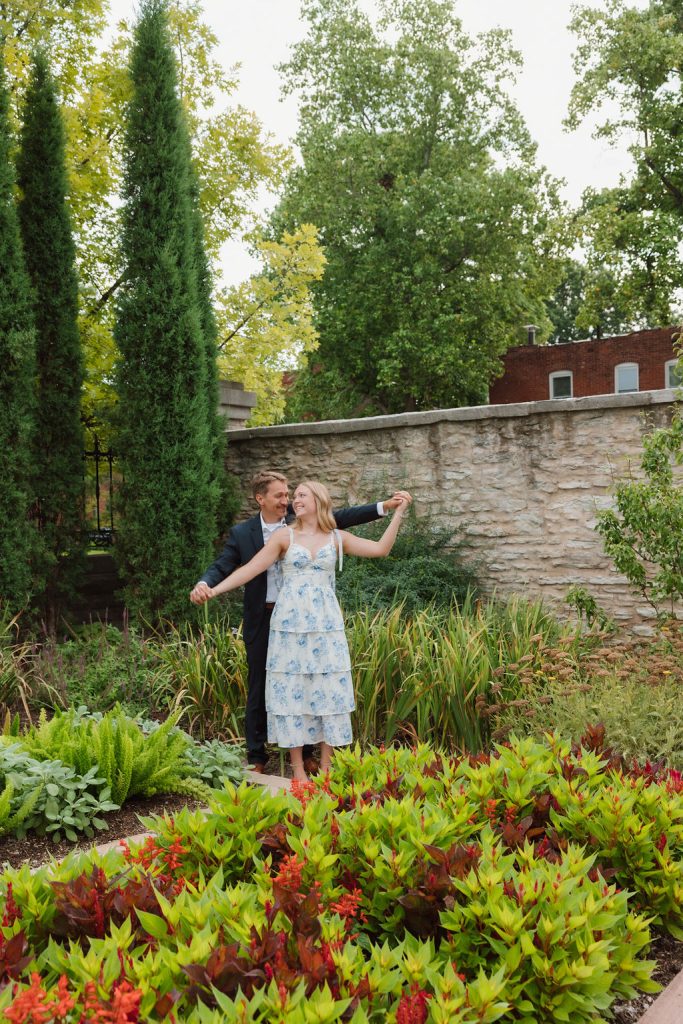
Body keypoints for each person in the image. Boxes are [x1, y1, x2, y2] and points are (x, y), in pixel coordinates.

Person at [189, 470, 411, 772]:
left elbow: (376, 545)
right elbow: (247, 569)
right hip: (281, 620)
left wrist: (393, 510)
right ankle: (270, 761)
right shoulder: (270, 535)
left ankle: (319, 763)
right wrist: (211, 588)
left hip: (322, 623)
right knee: (275, 685)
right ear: (261, 499)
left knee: (321, 685)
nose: (290, 500)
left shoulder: (332, 535)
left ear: (317, 501)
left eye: (296, 495)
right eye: (283, 496)